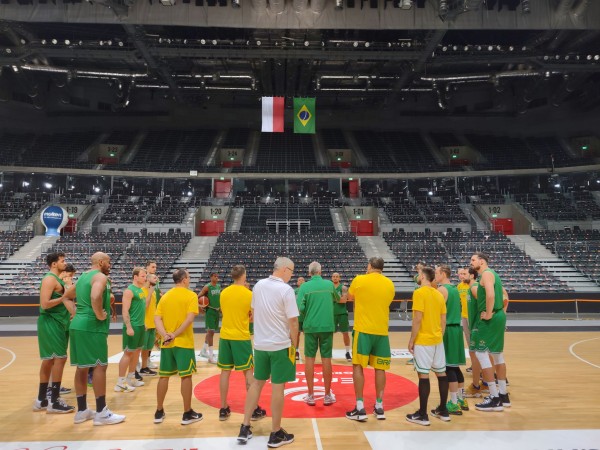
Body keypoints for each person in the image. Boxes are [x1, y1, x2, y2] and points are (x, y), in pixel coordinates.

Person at [237, 257, 299, 448]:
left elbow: (254, 313)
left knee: (256, 384)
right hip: (280, 346)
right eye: (291, 271)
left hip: (260, 345)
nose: (292, 275)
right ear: (284, 270)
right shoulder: (286, 290)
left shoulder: (258, 286)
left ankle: (244, 427)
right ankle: (275, 433)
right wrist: (294, 347)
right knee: (278, 388)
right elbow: (293, 322)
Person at [69, 252, 125, 426]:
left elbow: (66, 295)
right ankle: (101, 412)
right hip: (91, 327)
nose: (110, 264)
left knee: (82, 367)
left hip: (78, 325)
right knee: (100, 365)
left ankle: (82, 411)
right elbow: (95, 296)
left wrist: (75, 312)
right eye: (108, 261)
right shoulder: (100, 277)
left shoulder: (83, 277)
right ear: (101, 262)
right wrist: (99, 313)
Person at [345, 257, 395, 422]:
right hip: (381, 331)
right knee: (380, 368)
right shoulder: (389, 284)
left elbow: (349, 297)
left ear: (370, 266)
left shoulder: (359, 279)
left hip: (363, 330)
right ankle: (379, 406)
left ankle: (360, 407)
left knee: (358, 366)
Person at [217, 265, 266, 421]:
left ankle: (223, 408)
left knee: (225, 372)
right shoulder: (249, 294)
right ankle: (254, 409)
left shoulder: (223, 292)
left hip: (225, 336)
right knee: (248, 373)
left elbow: (224, 312)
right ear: (244, 276)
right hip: (241, 336)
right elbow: (253, 317)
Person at [154, 268, 202, 425]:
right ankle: (187, 413)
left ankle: (159, 411)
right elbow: (189, 320)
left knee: (164, 376)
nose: (189, 279)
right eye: (188, 276)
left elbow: (157, 318)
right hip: (183, 342)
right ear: (184, 280)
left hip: (167, 343)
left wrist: (164, 335)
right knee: (186, 376)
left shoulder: (165, 296)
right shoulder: (191, 295)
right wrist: (174, 334)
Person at [34, 252, 76, 414]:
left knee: (49, 360)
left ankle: (41, 400)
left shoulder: (58, 279)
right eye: (62, 261)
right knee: (59, 358)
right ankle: (54, 400)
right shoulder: (49, 279)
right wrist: (64, 297)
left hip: (59, 322)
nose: (65, 264)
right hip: (51, 322)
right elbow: (44, 304)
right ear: (53, 264)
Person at [406, 266, 449, 426]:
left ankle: (423, 414)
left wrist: (412, 340)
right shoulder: (438, 294)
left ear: (423, 277)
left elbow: (418, 318)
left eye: (418, 274)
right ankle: (443, 410)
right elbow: (443, 320)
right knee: (441, 374)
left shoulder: (419, 293)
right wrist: (439, 335)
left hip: (424, 340)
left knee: (423, 375)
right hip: (437, 339)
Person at [470, 252, 510, 412]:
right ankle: (503, 395)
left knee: (481, 354)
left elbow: (491, 294)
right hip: (499, 315)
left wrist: (487, 312)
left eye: (473, 260)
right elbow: (504, 294)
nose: (471, 263)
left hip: (491, 318)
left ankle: (494, 397)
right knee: (498, 355)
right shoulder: (493, 274)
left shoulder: (486, 274)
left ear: (481, 261)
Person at [298, 262, 340, 406]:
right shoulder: (329, 285)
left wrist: (304, 318)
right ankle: (327, 395)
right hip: (327, 326)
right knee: (326, 359)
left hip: (310, 327)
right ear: (320, 272)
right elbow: (338, 298)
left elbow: (300, 307)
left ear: (309, 273)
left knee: (309, 359)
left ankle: (310, 395)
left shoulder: (304, 287)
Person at [435, 265, 466, 415]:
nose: (435, 275)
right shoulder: (455, 289)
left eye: (436, 273)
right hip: (457, 329)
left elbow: (436, 312)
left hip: (447, 329)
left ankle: (453, 403)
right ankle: (461, 398)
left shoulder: (442, 290)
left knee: (448, 367)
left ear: (442, 274)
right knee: (455, 367)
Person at [114, 267, 149, 392]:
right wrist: (128, 326)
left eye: (145, 276)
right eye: (143, 276)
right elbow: (125, 311)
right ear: (135, 277)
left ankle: (130, 378)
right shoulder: (129, 291)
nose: (145, 278)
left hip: (140, 325)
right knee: (128, 353)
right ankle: (120, 382)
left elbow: (140, 309)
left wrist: (143, 323)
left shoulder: (140, 290)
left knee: (137, 352)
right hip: (132, 326)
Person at [463, 267, 487, 399]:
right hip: (474, 325)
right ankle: (483, 384)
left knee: (476, 356)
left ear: (472, 276)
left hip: (478, 327)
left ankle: (476, 387)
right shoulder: (469, 288)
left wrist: (489, 314)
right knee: (478, 356)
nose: (462, 276)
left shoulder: (474, 288)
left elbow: (485, 303)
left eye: (465, 274)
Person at [141, 260, 162, 372]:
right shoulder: (144, 282)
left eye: (156, 267)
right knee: (144, 344)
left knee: (151, 342)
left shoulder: (155, 282)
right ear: (147, 267)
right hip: (146, 316)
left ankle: (147, 361)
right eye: (153, 267)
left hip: (154, 312)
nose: (155, 268)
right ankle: (143, 363)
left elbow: (157, 292)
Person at [198, 272, 221, 364]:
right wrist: (200, 307)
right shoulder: (207, 287)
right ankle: (211, 357)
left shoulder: (218, 286)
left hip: (217, 311)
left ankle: (203, 350)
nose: (216, 278)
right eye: (215, 276)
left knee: (211, 332)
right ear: (211, 277)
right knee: (210, 332)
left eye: (217, 276)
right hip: (210, 311)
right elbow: (198, 296)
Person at [407, 261, 426, 366]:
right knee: (415, 331)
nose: (417, 268)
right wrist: (420, 270)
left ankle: (418, 357)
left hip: (423, 308)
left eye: (419, 267)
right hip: (417, 307)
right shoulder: (418, 277)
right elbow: (418, 280)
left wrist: (421, 269)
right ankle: (415, 356)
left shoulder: (427, 278)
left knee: (420, 331)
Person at [139, 272, 159, 377]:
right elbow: (145, 307)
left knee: (148, 348)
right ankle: (141, 367)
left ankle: (145, 367)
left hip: (152, 324)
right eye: (154, 278)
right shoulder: (143, 291)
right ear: (148, 279)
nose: (157, 279)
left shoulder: (154, 292)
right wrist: (150, 292)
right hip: (145, 324)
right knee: (143, 347)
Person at [331, 272, 352, 362]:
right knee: (329, 334)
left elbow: (344, 301)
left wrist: (333, 299)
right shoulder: (329, 287)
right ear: (332, 278)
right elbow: (340, 299)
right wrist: (339, 298)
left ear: (339, 278)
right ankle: (328, 352)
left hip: (342, 313)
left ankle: (347, 352)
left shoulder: (343, 287)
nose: (335, 278)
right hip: (332, 313)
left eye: (337, 276)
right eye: (334, 276)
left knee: (345, 333)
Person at [456, 268, 471, 350]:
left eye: (464, 274)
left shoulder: (474, 285)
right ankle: (474, 362)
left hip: (473, 316)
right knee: (468, 340)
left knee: (475, 339)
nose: (461, 276)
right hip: (464, 316)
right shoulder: (459, 286)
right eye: (460, 274)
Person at [294, 276, 305, 361]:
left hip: (306, 316)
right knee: (296, 335)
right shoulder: (294, 291)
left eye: (302, 280)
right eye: (299, 280)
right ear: (297, 283)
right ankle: (296, 351)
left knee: (308, 335)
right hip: (297, 317)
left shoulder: (307, 290)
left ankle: (308, 352)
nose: (301, 281)